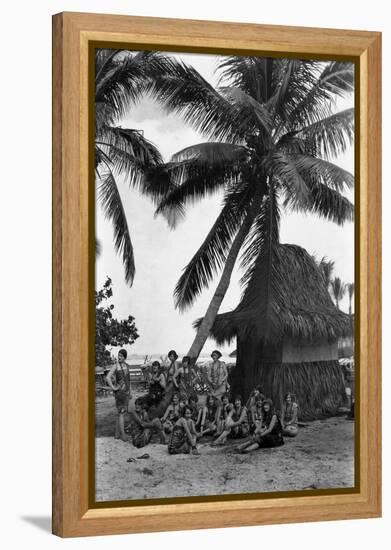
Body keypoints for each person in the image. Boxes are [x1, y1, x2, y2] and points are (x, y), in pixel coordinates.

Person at [106, 349, 132, 441]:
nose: (119, 357)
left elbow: (129, 381)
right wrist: (113, 387)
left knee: (119, 413)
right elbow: (108, 377)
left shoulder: (127, 366)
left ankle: (117, 434)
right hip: (119, 393)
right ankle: (123, 435)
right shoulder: (115, 366)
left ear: (125, 357)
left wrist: (130, 392)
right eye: (118, 355)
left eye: (121, 356)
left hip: (126, 392)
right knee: (122, 413)